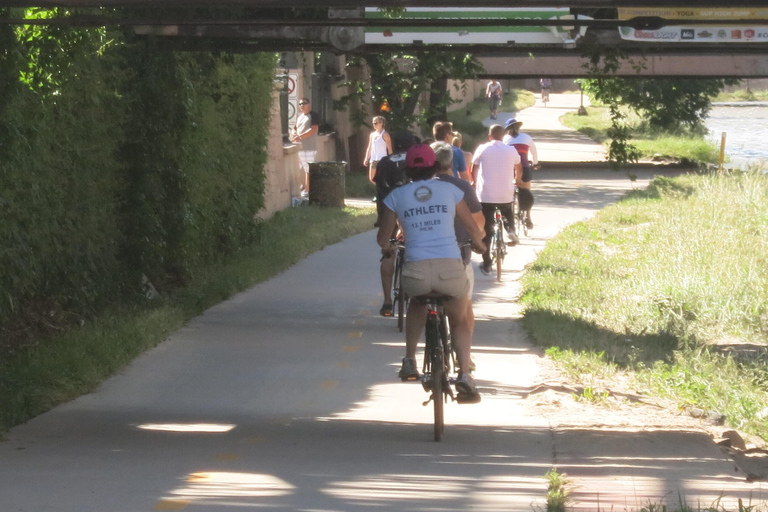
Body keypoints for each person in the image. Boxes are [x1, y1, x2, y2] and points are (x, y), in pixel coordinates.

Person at [377, 144, 486, 397]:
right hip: (450, 267)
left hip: (416, 272)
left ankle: (408, 361)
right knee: (459, 317)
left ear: (407, 169)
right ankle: (465, 376)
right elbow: (472, 228)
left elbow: (384, 237)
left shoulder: (396, 195)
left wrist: (388, 247)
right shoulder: (451, 190)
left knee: (417, 302)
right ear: (435, 166)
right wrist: (480, 245)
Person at [431, 141, 484, 372]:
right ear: (451, 164)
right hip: (458, 256)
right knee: (464, 309)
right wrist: (477, 239)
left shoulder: (420, 187)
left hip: (425, 258)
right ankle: (466, 357)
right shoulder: (462, 187)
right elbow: (479, 222)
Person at [373, 132, 419, 316]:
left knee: (388, 252)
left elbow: (379, 187)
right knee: (415, 250)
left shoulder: (385, 161)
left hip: (388, 209)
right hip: (410, 210)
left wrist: (380, 216)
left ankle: (387, 302)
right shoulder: (415, 159)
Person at [471, 124, 522, 275]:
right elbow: (519, 168)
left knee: (486, 229)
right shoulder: (511, 150)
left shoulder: (482, 148)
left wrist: (474, 183)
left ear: (490, 136)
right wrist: (517, 180)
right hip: (505, 194)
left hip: (486, 195)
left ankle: (487, 263)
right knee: (507, 210)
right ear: (503, 135)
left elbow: (474, 168)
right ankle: (510, 229)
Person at [503, 118, 538, 229]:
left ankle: (510, 214)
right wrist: (535, 163)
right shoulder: (526, 137)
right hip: (524, 167)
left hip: (510, 169)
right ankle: (528, 216)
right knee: (527, 191)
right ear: (519, 128)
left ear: (507, 130)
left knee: (509, 193)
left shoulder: (505, 139)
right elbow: (534, 151)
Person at [291, 98, 321, 196]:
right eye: (300, 104)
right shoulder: (300, 117)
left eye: (304, 103)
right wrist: (294, 133)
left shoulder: (313, 115)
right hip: (299, 147)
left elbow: (314, 129)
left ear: (309, 104)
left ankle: (308, 191)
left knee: (308, 169)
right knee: (296, 168)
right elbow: (294, 129)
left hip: (309, 147)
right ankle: (301, 187)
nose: (302, 105)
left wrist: (300, 136)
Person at [363, 116, 393, 185]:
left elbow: (389, 149)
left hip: (382, 160)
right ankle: (380, 188)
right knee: (372, 178)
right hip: (373, 160)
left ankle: (382, 190)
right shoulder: (372, 135)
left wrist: (391, 160)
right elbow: (369, 147)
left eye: (376, 123)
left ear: (381, 123)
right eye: (373, 123)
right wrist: (366, 158)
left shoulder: (385, 135)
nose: (374, 125)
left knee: (382, 177)